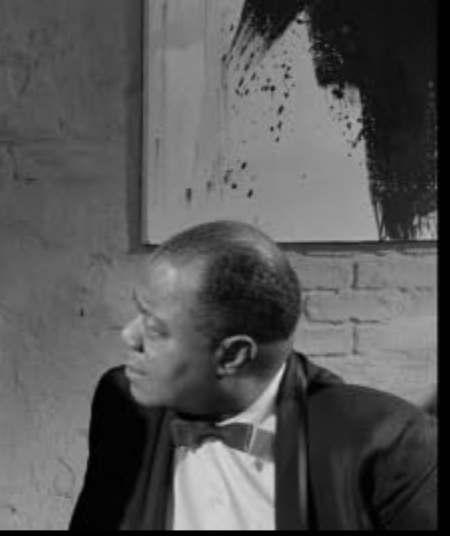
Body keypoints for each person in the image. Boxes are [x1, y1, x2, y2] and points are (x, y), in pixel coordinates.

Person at [69, 220, 437, 530]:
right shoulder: (124, 403)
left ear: (233, 355)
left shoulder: (393, 442)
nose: (129, 336)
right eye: (140, 312)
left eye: (155, 329)